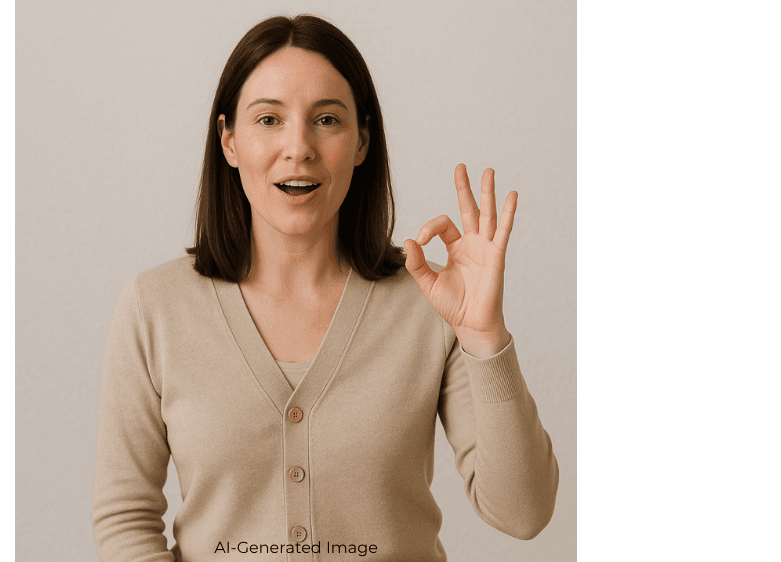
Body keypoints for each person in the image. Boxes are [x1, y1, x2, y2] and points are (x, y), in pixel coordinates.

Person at [93, 14, 558, 562]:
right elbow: (125, 519)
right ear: (229, 141)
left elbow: (523, 513)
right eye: (268, 119)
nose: (299, 147)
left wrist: (484, 338)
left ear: (362, 140)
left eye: (327, 120)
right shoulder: (154, 309)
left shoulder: (429, 306)